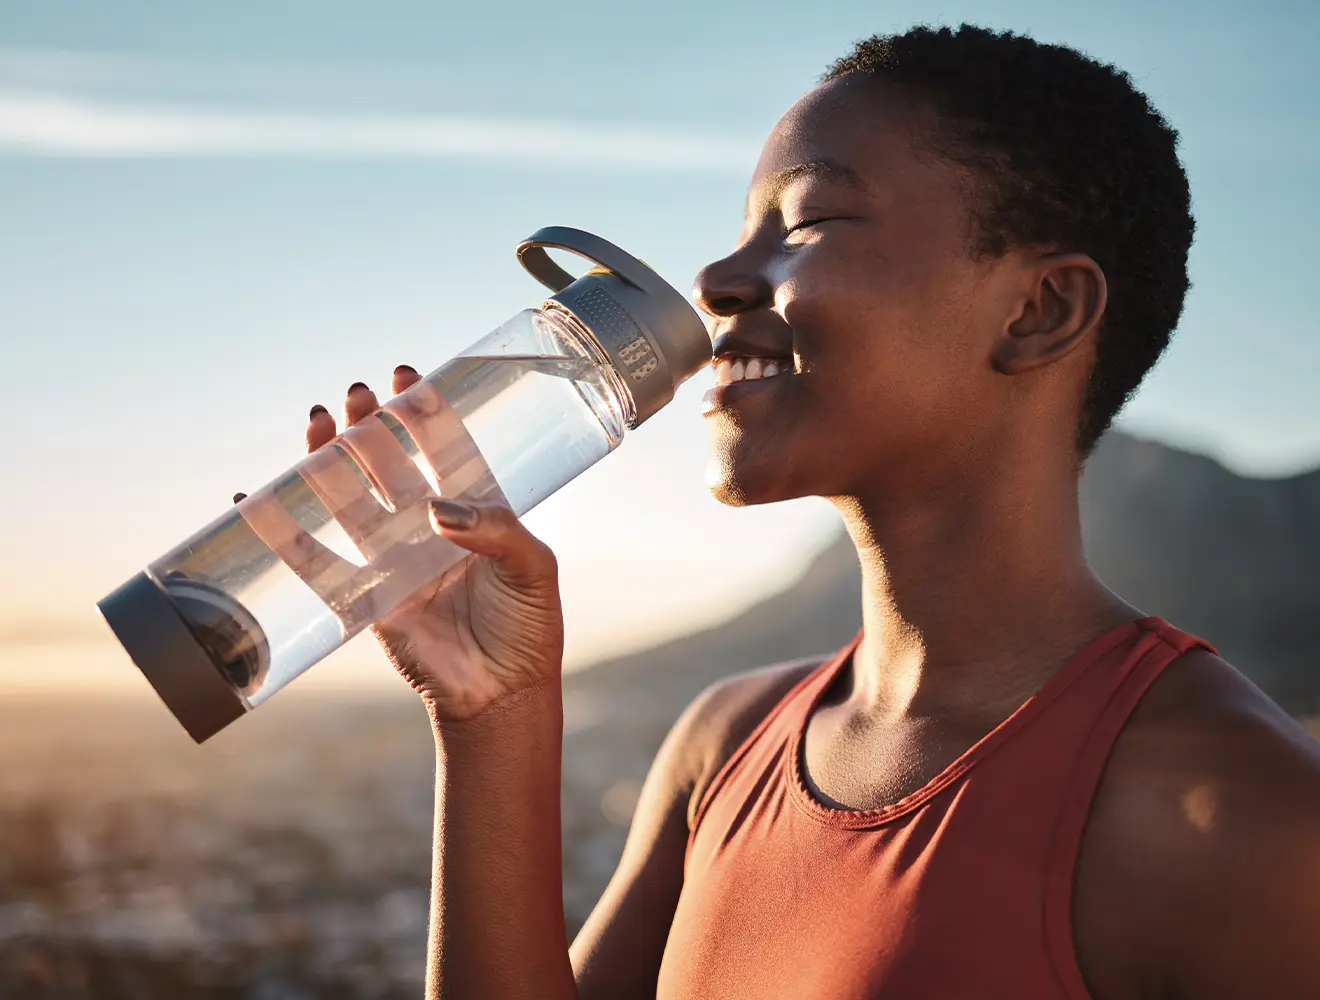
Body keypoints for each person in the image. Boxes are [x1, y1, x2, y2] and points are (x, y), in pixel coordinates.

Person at [275, 23, 1320, 1000]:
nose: (719, 278)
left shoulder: (1242, 819)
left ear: (1039, 309)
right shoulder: (725, 742)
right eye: (741, 234)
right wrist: (490, 715)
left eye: (809, 222)